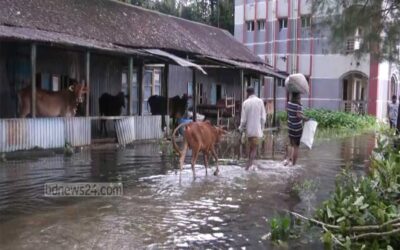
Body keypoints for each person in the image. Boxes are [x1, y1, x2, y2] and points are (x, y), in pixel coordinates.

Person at [238, 87, 266, 170]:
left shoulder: (245, 103)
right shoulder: (260, 101)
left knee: (251, 148)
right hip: (257, 130)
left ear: (247, 93)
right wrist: (262, 128)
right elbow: (263, 118)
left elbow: (243, 120)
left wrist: (241, 128)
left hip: (249, 131)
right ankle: (249, 166)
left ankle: (249, 164)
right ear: (254, 92)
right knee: (254, 149)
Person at [283, 92, 308, 166]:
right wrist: (306, 118)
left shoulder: (289, 103)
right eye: (300, 96)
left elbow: (290, 113)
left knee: (291, 144)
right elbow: (298, 115)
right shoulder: (298, 105)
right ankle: (293, 165)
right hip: (297, 128)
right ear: (298, 97)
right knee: (296, 147)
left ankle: (288, 160)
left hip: (290, 127)